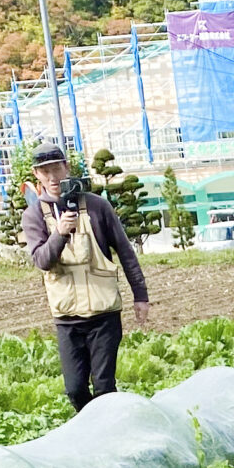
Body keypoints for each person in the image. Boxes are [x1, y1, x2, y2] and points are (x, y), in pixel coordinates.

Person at [21, 138, 153, 412]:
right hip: (67, 318)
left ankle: (111, 434)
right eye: (45, 171)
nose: (52, 176)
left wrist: (140, 296)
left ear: (66, 168)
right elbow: (41, 261)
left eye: (56, 168)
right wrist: (59, 233)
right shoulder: (34, 215)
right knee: (75, 389)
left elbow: (126, 252)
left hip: (104, 313)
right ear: (37, 175)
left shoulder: (96, 206)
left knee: (104, 386)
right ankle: (92, 432)